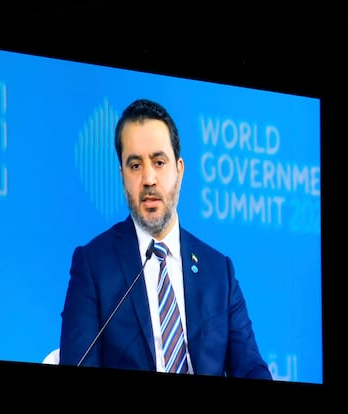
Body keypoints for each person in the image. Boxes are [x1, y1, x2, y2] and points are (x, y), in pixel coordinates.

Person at [58, 99, 272, 378]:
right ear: (122, 175)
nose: (148, 178)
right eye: (135, 165)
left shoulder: (219, 271)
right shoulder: (93, 265)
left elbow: (251, 368)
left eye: (159, 162)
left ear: (179, 170)